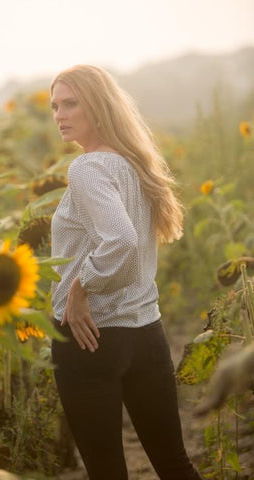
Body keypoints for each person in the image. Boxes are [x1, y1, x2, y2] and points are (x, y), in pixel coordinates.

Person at [49, 65, 203, 480]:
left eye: (71, 103)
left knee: (106, 473)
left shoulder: (87, 168)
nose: (60, 114)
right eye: (55, 105)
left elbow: (121, 241)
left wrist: (81, 287)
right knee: (175, 464)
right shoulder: (135, 161)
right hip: (145, 334)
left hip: (88, 337)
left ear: (98, 106)